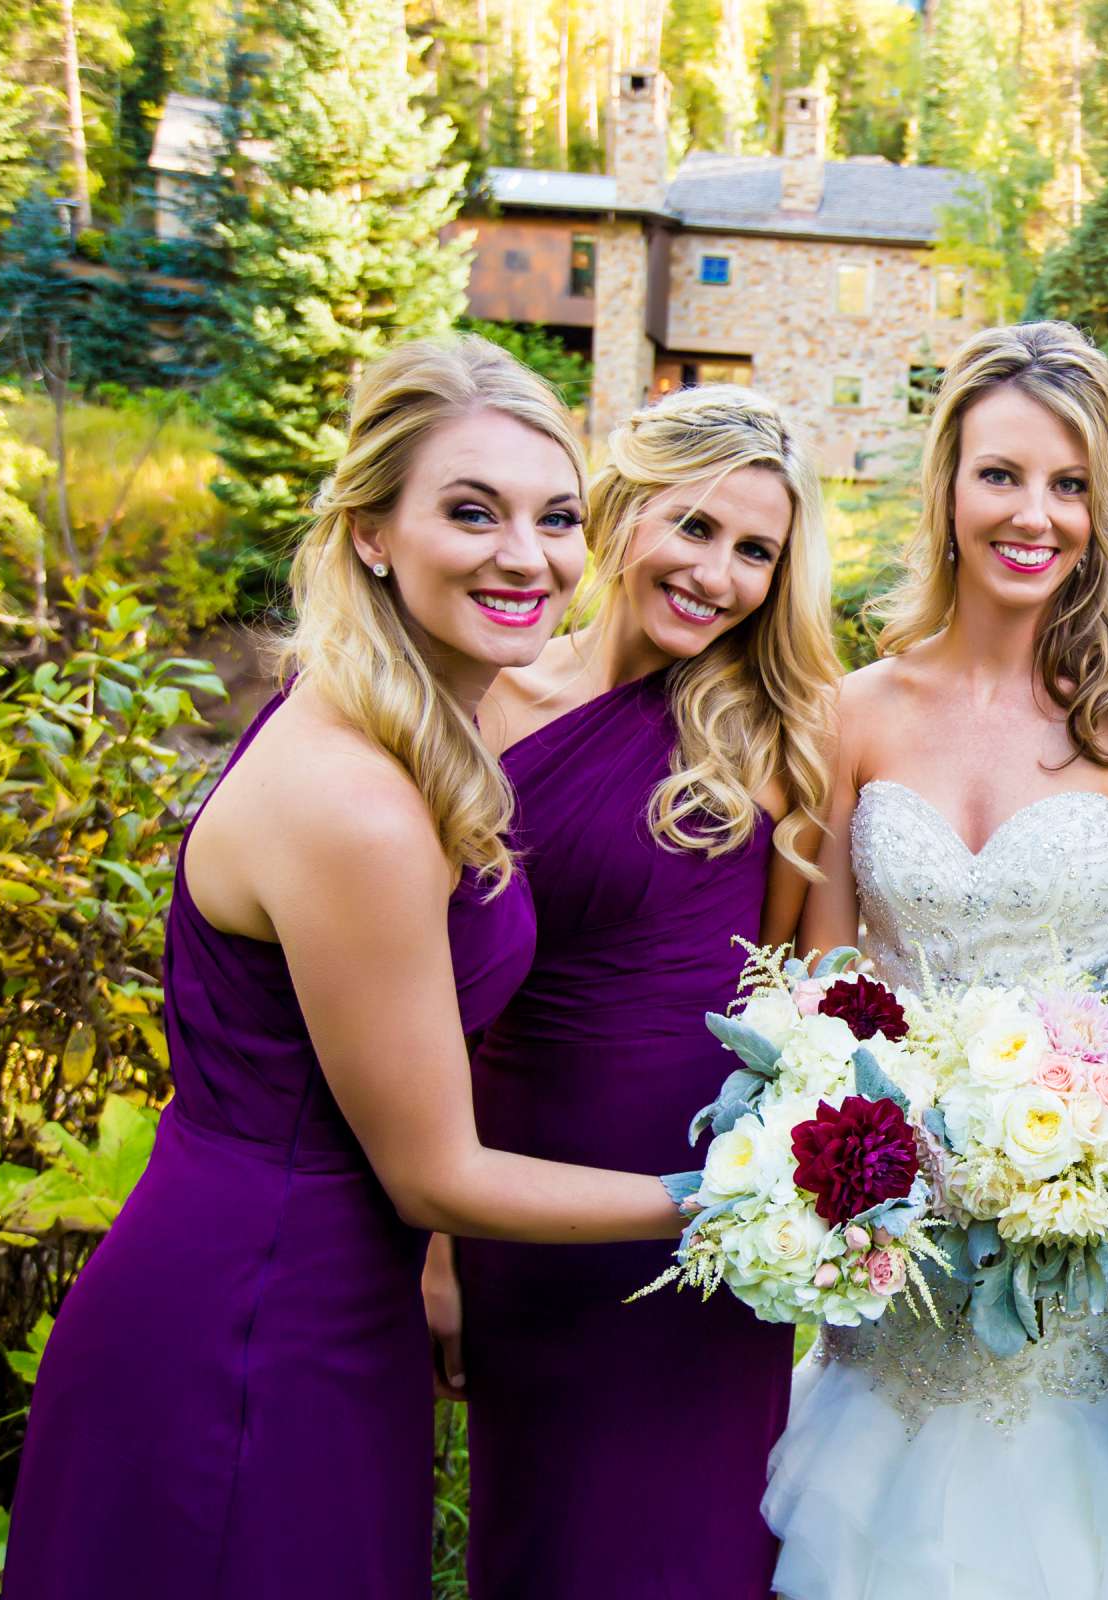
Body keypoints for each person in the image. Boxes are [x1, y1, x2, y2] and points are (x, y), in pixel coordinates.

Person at [5, 336, 686, 1599]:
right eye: (470, 512)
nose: (525, 555)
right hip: (255, 1322)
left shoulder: (386, 702)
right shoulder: (359, 806)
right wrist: (728, 1199)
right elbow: (438, 1171)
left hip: (318, 1290)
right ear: (373, 530)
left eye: (554, 517)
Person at [764, 321, 1108, 1600]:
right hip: (890, 1234)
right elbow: (816, 991)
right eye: (1003, 475)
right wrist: (867, 1146)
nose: (1037, 514)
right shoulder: (849, 710)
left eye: (1071, 484)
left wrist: (1086, 1145)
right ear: (948, 489)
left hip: (1063, 1245)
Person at [423, 385, 840, 1598]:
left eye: (755, 550)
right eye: (696, 528)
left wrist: (778, 1187)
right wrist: (442, 1250)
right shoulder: (484, 703)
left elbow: (789, 996)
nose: (717, 573)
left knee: (697, 1545)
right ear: (620, 511)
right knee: (542, 1537)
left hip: (714, 1212)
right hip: (526, 1193)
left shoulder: (776, 735)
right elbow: (434, 998)